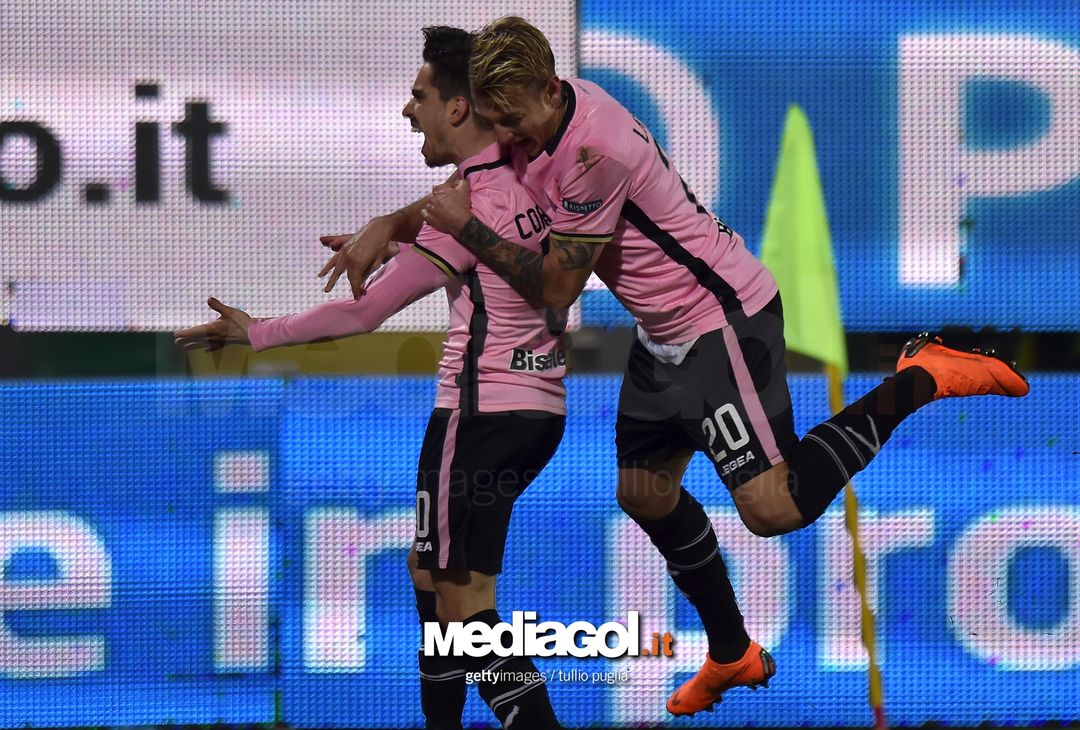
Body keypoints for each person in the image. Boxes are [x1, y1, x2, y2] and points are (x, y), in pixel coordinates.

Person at [322, 16, 1030, 718]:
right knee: (645, 492)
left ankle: (920, 377)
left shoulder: (596, 151)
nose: (506, 138)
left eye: (511, 122)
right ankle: (731, 652)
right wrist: (393, 222)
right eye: (497, 123)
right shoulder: (538, 119)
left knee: (772, 507)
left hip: (721, 323)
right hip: (663, 335)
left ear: (547, 88)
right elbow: (483, 178)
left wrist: (462, 230)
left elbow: (558, 288)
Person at [177, 27, 566, 730]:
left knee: (460, 608)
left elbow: (365, 314)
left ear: (458, 109)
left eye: (419, 95)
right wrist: (391, 222)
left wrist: (254, 332)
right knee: (436, 581)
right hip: (537, 410)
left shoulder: (462, 209)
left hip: (476, 415)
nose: (407, 110)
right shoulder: (530, 170)